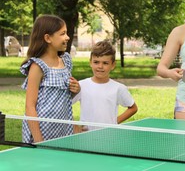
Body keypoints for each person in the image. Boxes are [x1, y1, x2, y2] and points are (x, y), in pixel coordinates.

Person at [20, 14, 80, 143]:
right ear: (48, 38)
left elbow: (64, 98)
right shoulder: (37, 66)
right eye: (63, 33)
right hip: (42, 131)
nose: (68, 37)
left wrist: (75, 90)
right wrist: (38, 140)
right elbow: (30, 106)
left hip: (63, 129)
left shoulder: (66, 61)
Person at [72, 40, 137, 131]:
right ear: (90, 62)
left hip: (109, 137)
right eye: (96, 62)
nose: (100, 66)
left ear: (113, 65)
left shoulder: (118, 88)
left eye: (105, 63)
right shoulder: (81, 86)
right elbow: (65, 106)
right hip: (86, 137)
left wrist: (114, 122)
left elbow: (133, 108)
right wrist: (76, 127)